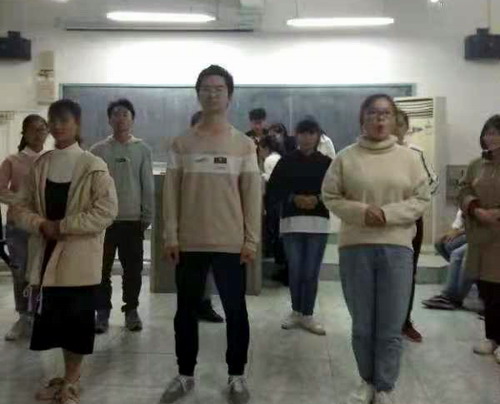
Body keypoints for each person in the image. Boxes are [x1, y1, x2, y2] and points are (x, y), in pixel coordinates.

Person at [161, 65, 261, 404]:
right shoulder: (181, 143)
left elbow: (252, 196)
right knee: (185, 311)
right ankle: (185, 374)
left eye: (219, 88)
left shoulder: (243, 145)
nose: (212, 93)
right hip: (189, 242)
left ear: (229, 96)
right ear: (198, 94)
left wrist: (250, 240)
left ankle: (237, 375)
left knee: (236, 311)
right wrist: (170, 236)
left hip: (231, 243)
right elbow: (170, 195)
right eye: (206, 88)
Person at [322, 94, 430, 404]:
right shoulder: (345, 158)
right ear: (362, 119)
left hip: (397, 249)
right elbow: (330, 196)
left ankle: (385, 386)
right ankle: (366, 380)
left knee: (390, 325)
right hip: (356, 248)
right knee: (363, 324)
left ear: (394, 120)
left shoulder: (410, 158)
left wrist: (386, 214)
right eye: (372, 113)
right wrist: (361, 212)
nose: (380, 119)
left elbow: (421, 199)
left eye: (386, 113)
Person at [12, 99, 118, 404]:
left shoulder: (93, 165)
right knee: (54, 321)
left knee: (77, 322)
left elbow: (106, 211)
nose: (58, 127)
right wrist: (40, 225)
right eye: (53, 121)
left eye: (65, 120)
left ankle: (72, 380)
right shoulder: (41, 165)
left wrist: (64, 226)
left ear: (77, 124)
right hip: (46, 256)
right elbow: (20, 208)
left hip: (79, 258)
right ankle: (63, 377)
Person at [91, 98, 154, 334]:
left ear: (132, 119)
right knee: (100, 270)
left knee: (133, 270)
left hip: (132, 220)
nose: (120, 118)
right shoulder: (97, 151)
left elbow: (147, 185)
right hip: (103, 222)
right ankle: (102, 312)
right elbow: (91, 187)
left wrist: (147, 215)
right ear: (109, 119)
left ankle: (131, 310)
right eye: (115, 114)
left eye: (125, 114)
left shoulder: (142, 149)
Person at [267, 119, 332, 335]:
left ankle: (308, 314)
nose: (307, 137)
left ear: (318, 136)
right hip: (292, 222)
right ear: (296, 135)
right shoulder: (286, 161)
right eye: (303, 133)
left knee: (311, 271)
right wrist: (293, 198)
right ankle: (296, 310)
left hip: (318, 223)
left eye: (311, 133)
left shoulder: (326, 162)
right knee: (295, 270)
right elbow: (273, 190)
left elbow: (335, 191)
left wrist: (317, 199)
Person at [0, 115, 48, 341]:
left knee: (42, 272)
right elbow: (1, 189)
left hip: (44, 227)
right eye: (33, 130)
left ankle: (39, 315)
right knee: (20, 271)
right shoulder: (12, 161)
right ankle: (23, 316)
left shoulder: (51, 159)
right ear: (24, 133)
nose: (39, 134)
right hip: (18, 226)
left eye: (42, 129)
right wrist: (21, 201)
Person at [459, 114, 500, 365]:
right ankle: (492, 337)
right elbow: (464, 190)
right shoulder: (477, 164)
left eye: (496, 132)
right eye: (488, 133)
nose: (491, 137)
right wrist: (475, 209)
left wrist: (496, 213)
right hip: (481, 238)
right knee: (487, 291)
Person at [395, 109, 439, 343]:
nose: (396, 128)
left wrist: (415, 200)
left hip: (411, 218)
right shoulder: (376, 153)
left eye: (400, 124)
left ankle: (404, 321)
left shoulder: (416, 153)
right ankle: (385, 321)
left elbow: (433, 181)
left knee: (408, 270)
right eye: (392, 123)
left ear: (406, 128)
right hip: (385, 219)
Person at [188, 110, 224, 324]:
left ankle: (204, 304)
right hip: (190, 219)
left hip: (215, 218)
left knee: (208, 266)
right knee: (192, 267)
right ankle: (192, 305)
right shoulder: (183, 151)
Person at [422, 209, 473, 310]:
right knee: (441, 243)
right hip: (474, 233)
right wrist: (453, 230)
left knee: (457, 255)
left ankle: (451, 297)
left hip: (488, 236)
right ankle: (457, 280)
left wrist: (460, 232)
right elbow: (461, 213)